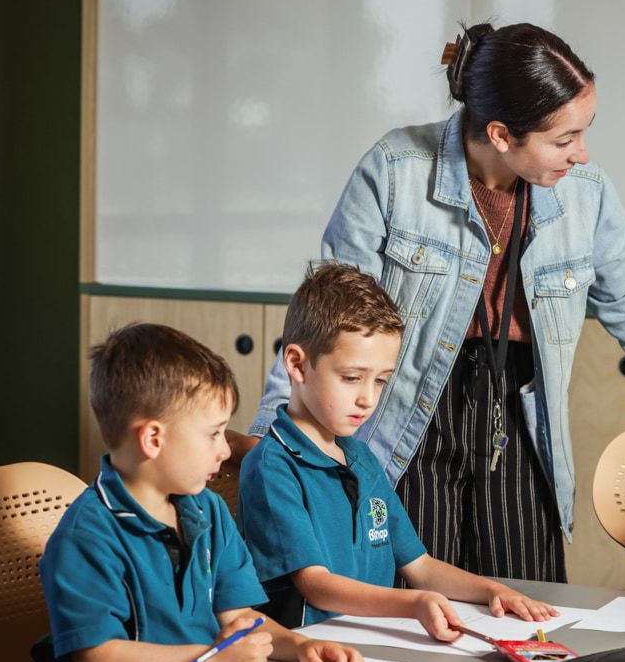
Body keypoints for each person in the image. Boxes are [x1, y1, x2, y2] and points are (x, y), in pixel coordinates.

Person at [235, 21, 625, 583]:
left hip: (521, 412)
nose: (582, 155)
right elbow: (327, 313)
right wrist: (273, 431)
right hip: (409, 411)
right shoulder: (395, 169)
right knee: (418, 596)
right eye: (564, 140)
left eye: (585, 133)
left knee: (526, 602)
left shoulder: (588, 196)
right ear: (500, 134)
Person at [34, 323, 365, 662]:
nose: (226, 450)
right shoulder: (86, 535)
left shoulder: (209, 510)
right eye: (213, 433)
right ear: (153, 438)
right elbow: (97, 657)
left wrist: (301, 646)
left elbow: (237, 615)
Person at [239, 262, 558, 639]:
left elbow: (420, 566)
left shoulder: (362, 459)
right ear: (297, 364)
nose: (367, 399)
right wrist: (410, 604)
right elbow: (316, 584)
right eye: (351, 378)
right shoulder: (272, 466)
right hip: (310, 652)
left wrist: (492, 590)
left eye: (380, 381)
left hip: (374, 650)